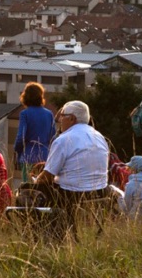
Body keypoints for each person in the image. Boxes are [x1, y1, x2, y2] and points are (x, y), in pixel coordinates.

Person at [34, 100, 110, 241]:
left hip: (71, 195)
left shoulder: (64, 140)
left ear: (72, 118)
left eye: (62, 116)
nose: (59, 120)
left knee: (32, 190)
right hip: (99, 192)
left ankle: (45, 238)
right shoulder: (100, 137)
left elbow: (47, 177)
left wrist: (35, 182)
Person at [14, 82, 55, 183]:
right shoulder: (49, 114)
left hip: (28, 156)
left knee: (28, 188)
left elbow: (21, 137)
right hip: (45, 156)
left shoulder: (25, 113)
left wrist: (17, 151)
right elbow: (53, 137)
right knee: (44, 187)